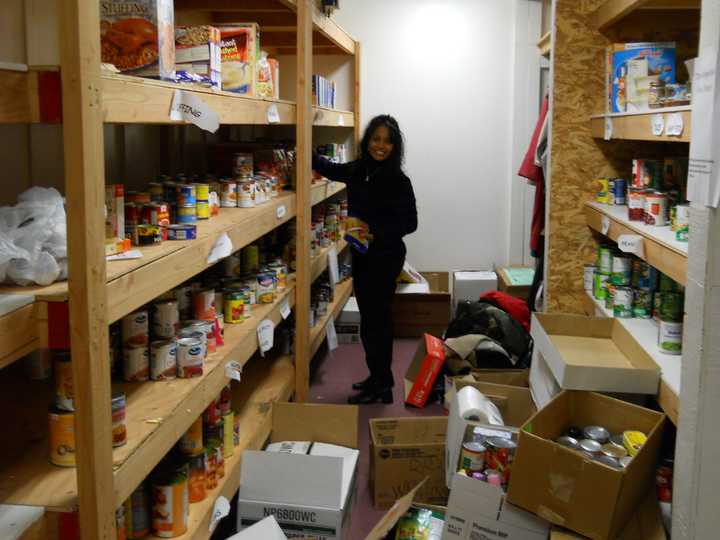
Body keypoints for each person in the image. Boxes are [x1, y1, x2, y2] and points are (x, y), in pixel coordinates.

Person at [312, 115, 418, 404]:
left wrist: (376, 232)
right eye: (375, 139)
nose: (380, 146)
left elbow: (410, 224)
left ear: (395, 147)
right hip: (362, 255)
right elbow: (328, 168)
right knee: (369, 322)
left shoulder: (398, 180)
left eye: (387, 141)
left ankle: (383, 385)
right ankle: (377, 377)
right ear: (367, 141)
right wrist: (301, 146)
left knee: (378, 322)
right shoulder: (359, 170)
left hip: (385, 258)